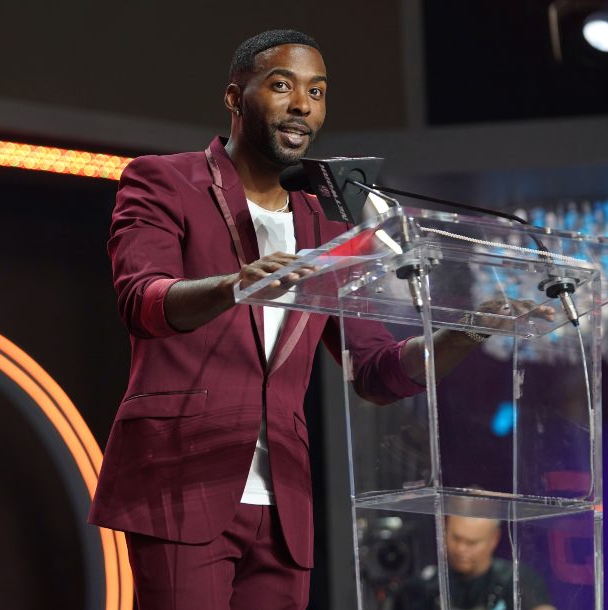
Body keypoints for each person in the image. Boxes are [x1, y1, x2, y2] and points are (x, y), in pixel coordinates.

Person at [87, 29, 501, 609]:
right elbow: (144, 299)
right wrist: (237, 284)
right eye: (282, 86)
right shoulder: (165, 181)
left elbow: (376, 370)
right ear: (235, 98)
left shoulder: (326, 225)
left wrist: (467, 332)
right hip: (182, 476)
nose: (302, 105)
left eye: (317, 91)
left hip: (283, 504)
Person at [397, 516, 556, 610]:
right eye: (456, 538)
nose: (461, 549)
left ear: (494, 539)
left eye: (472, 542)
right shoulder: (422, 586)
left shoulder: (517, 579)